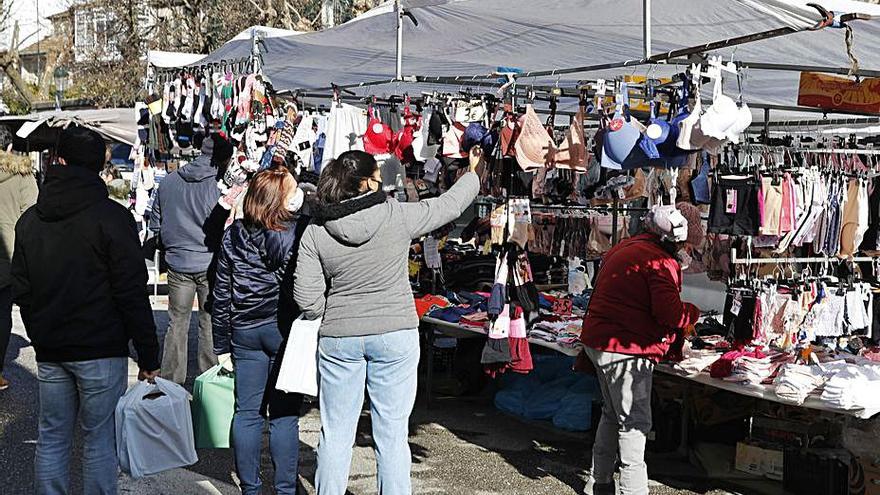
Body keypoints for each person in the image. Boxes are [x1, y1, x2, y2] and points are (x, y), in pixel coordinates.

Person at [294, 147, 483, 495]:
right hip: (396, 333)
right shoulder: (395, 214)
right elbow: (448, 206)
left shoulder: (316, 230)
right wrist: (472, 172)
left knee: (335, 434)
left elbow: (306, 299)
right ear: (366, 182)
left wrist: (333, 309)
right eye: (378, 178)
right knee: (393, 436)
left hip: (339, 336)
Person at [11, 126, 160, 494]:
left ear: (58, 160)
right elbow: (131, 291)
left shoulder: (30, 220)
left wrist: (39, 330)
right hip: (101, 348)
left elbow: (23, 289)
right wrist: (147, 352)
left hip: (52, 349)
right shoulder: (112, 218)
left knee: (52, 437)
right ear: (98, 165)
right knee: (98, 440)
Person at [580, 205, 702, 495]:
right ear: (676, 240)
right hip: (624, 349)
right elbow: (668, 312)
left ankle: (599, 483)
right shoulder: (658, 261)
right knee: (634, 424)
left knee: (613, 414)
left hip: (600, 341)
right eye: (687, 244)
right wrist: (692, 313)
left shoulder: (628, 246)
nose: (687, 250)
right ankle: (632, 490)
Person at [212, 166, 307, 495]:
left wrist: (220, 343)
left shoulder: (234, 233)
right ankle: (284, 489)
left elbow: (221, 292)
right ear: (281, 198)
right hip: (284, 331)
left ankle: (250, 489)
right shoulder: (298, 231)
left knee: (247, 413)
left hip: (245, 330)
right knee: (284, 415)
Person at [150, 133, 233, 383]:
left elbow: (156, 225)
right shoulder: (220, 187)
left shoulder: (168, 182)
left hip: (178, 262)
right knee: (208, 323)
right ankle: (209, 384)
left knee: (176, 323)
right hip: (210, 263)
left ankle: (170, 385)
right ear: (224, 159)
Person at [0, 135, 38, 390]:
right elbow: (33, 217)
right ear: (10, 147)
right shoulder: (23, 177)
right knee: (2, 314)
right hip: (9, 259)